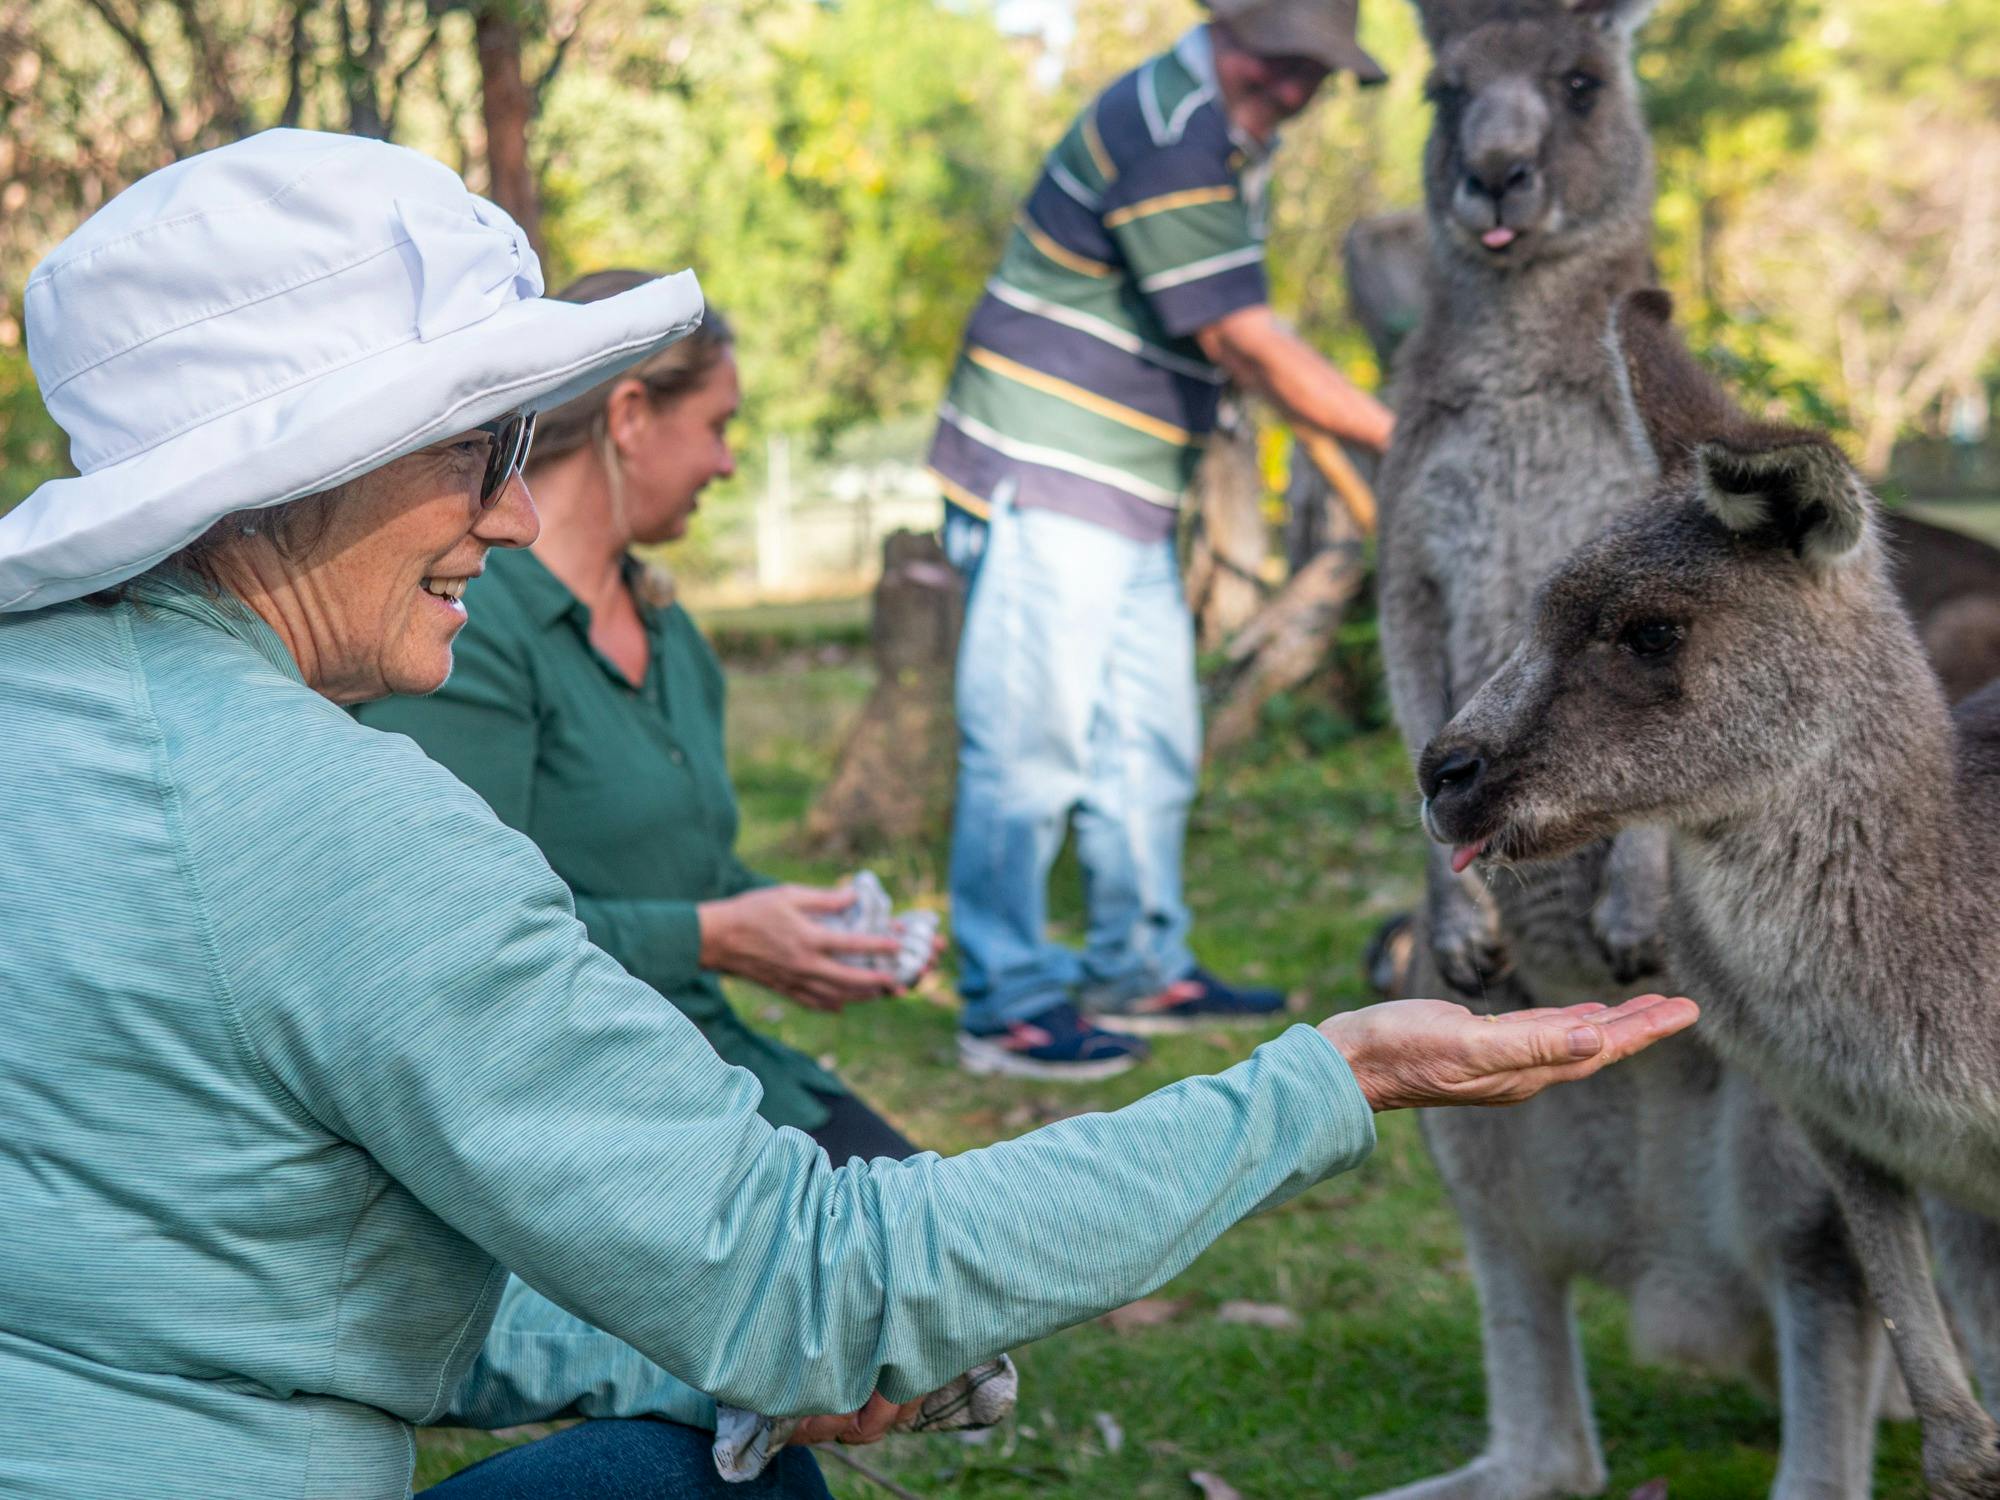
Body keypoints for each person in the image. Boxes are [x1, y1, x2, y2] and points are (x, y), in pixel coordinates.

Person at [0, 129, 1698, 1500]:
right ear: (296, 470)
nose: (513, 515)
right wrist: (1332, 1078)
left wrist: (683, 1364)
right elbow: (825, 1288)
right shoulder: (333, 826)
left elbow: (239, 1294)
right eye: (478, 449)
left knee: (692, 1450)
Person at [927, 0, 1401, 1079]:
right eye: (1280, 62)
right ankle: (1005, 1002)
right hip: (1049, 465)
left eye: (1315, 74)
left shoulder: (1222, 137)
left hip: (1129, 489)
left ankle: (1139, 968)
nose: (1294, 90)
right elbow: (1242, 336)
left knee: (1149, 743)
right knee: (1028, 751)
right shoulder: (1172, 129)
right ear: (1229, 27)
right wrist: (1400, 435)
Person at [358, 273, 919, 1160]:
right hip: (583, 1103)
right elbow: (458, 931)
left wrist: (807, 930)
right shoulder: (468, 631)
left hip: (719, 1064)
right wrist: (714, 938)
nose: (727, 464)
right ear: (629, 417)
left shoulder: (672, 634)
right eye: (718, 427)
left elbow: (678, 872)